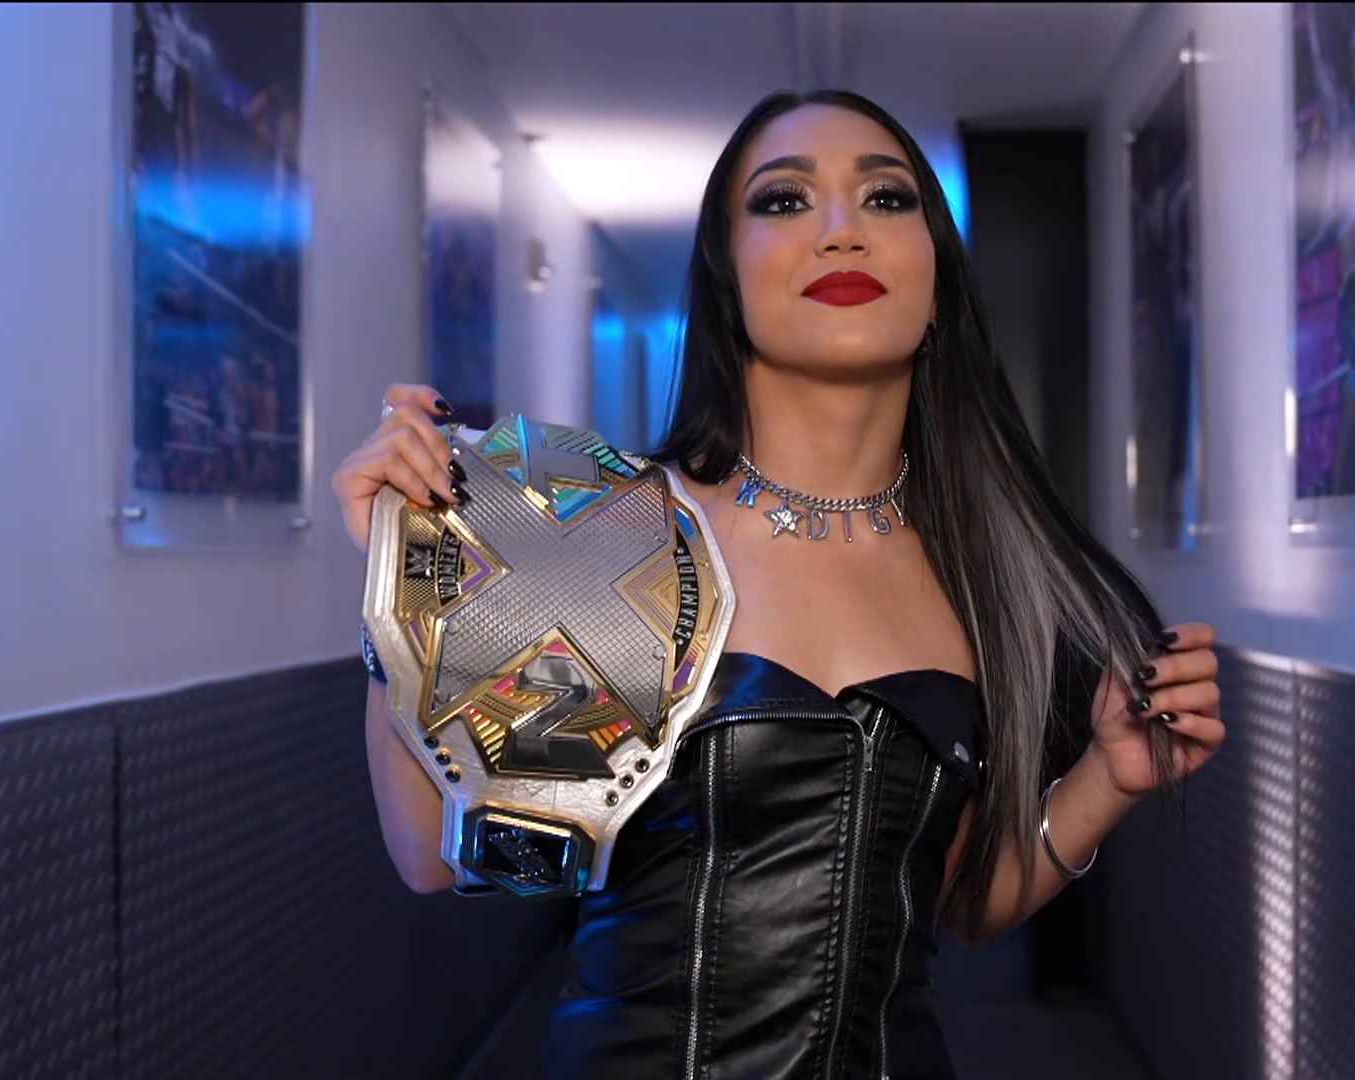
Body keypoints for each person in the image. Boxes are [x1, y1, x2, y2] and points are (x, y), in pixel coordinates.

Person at [331, 90, 1225, 1079]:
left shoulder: (982, 572)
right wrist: (400, 590)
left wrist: (1107, 777)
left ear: (937, 280)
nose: (842, 230)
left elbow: (961, 905)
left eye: (887, 199)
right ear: (727, 279)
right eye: (786, 200)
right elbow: (433, 851)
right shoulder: (613, 527)